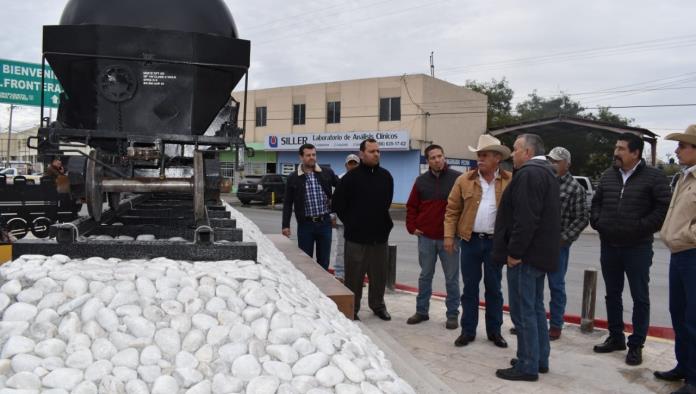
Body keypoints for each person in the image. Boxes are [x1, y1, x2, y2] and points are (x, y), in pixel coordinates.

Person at [590, 132, 671, 366]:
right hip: (610, 245)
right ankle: (616, 337)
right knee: (612, 294)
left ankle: (636, 345)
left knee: (639, 297)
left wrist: (640, 227)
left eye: (621, 149)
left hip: (638, 247)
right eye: (616, 148)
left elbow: (662, 208)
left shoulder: (654, 177)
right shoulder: (608, 176)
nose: (616, 153)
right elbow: (596, 202)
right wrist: (598, 222)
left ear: (636, 153)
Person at [493, 134, 560, 382]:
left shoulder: (530, 174)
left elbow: (525, 219)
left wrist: (514, 253)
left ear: (528, 152)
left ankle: (527, 364)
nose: (512, 154)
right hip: (538, 255)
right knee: (535, 309)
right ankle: (538, 358)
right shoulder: (546, 172)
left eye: (515, 149)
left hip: (526, 257)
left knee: (524, 312)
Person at [443, 135, 512, 347]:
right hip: (470, 241)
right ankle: (468, 330)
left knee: (494, 289)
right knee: (470, 288)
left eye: (484, 155)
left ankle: (494, 332)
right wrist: (448, 236)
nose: (479, 159)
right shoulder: (464, 180)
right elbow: (452, 210)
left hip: (495, 244)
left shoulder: (510, 181)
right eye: (478, 155)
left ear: (497, 158)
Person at [654, 125, 696, 393]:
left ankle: (694, 379)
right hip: (679, 254)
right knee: (679, 314)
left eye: (682, 146)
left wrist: (686, 235)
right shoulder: (684, 177)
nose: (677, 151)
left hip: (692, 253)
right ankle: (684, 366)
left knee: (694, 319)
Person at [333, 138, 394, 321]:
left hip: (379, 237)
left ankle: (378, 306)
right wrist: (352, 223)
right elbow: (338, 204)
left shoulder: (386, 176)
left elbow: (386, 203)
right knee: (354, 276)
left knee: (379, 276)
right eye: (372, 151)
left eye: (378, 151)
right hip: (356, 238)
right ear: (362, 154)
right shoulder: (351, 178)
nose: (376, 154)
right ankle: (354, 308)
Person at [406, 144, 462, 329]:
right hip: (426, 238)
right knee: (425, 276)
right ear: (427, 161)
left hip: (450, 239)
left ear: (444, 157)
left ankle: (452, 314)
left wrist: (456, 232)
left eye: (440, 156)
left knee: (452, 279)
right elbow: (412, 206)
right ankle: (422, 311)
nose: (437, 160)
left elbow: (464, 207)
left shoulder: (457, 179)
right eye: (433, 157)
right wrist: (412, 227)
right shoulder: (420, 181)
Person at [545, 147, 589, 340]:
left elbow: (581, 219)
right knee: (533, 285)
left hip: (558, 246)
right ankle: (532, 321)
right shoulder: (543, 181)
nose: (552, 164)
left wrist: (563, 238)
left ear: (567, 164)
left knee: (556, 286)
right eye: (551, 160)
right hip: (537, 243)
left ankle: (555, 325)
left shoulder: (575, 188)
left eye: (557, 161)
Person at [282, 143, 339, 270]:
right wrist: (285, 225)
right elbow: (287, 203)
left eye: (314, 154)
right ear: (301, 157)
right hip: (305, 225)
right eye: (308, 155)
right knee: (305, 261)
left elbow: (341, 189)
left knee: (323, 261)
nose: (312, 157)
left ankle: (322, 288)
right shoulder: (293, 177)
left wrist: (334, 207)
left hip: (325, 223)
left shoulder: (326, 172)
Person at [332, 153, 360, 283]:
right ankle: (339, 273)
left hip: (358, 223)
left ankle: (356, 275)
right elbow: (333, 200)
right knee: (341, 249)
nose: (353, 166)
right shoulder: (339, 179)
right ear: (346, 165)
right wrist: (332, 216)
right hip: (342, 222)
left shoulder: (364, 179)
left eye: (355, 163)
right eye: (350, 163)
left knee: (358, 251)